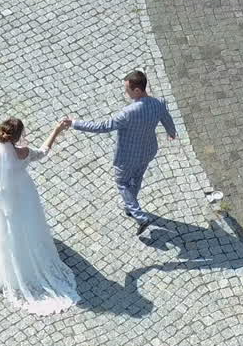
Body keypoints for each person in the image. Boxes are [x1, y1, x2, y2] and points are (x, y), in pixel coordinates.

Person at [0, 117, 80, 315]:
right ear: (17, 137)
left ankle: (10, 269)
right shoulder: (24, 153)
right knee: (30, 224)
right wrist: (56, 130)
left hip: (4, 199)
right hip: (25, 195)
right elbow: (44, 151)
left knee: (6, 230)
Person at [63, 70, 178, 234]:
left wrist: (75, 123)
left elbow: (102, 127)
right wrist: (171, 132)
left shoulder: (127, 113)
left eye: (127, 89)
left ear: (137, 90)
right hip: (148, 151)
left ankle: (139, 215)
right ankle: (130, 207)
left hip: (127, 156)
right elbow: (166, 118)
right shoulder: (158, 103)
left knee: (122, 182)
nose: (126, 92)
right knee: (137, 178)